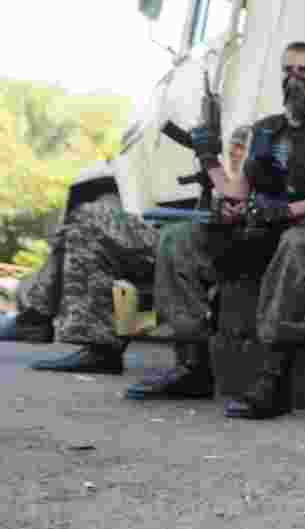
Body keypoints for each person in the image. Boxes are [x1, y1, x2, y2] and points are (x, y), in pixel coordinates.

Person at [124, 41, 305, 421]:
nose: (296, 78)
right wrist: (209, 159)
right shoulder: (267, 129)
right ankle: (192, 366)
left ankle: (273, 380)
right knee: (178, 238)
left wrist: (286, 210)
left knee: (296, 242)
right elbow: (237, 193)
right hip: (258, 235)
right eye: (289, 70)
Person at [0, 127, 253, 374]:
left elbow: (238, 197)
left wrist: (212, 164)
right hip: (195, 231)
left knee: (89, 221)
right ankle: (44, 321)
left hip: (212, 243)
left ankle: (54, 326)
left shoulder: (272, 138)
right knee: (83, 222)